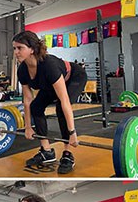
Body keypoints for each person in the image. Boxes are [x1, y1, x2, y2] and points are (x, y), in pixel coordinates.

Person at [12, 31, 87, 174]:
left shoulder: (48, 65)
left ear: (32, 49)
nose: (16, 52)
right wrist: (28, 126)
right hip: (50, 84)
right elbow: (27, 100)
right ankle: (46, 151)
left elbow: (64, 100)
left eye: (20, 48)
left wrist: (72, 133)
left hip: (73, 77)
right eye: (14, 48)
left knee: (60, 107)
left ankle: (67, 154)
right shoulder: (22, 70)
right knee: (36, 107)